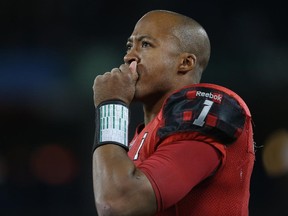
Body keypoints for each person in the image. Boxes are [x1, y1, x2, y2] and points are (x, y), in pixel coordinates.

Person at [92, 9, 255, 216]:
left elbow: (117, 203)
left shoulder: (206, 107)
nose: (128, 56)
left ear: (185, 62)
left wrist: (111, 106)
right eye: (129, 46)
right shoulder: (138, 140)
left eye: (145, 44)